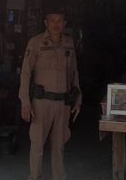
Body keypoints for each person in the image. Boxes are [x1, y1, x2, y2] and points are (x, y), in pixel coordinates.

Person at [19, 10, 81, 180]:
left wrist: (78, 99)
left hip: (63, 102)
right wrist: (25, 102)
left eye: (59, 20)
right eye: (52, 20)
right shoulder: (36, 42)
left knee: (59, 146)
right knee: (37, 144)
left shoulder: (69, 43)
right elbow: (25, 73)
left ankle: (58, 177)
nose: (56, 24)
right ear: (46, 23)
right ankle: (35, 177)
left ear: (64, 23)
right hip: (41, 102)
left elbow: (74, 73)